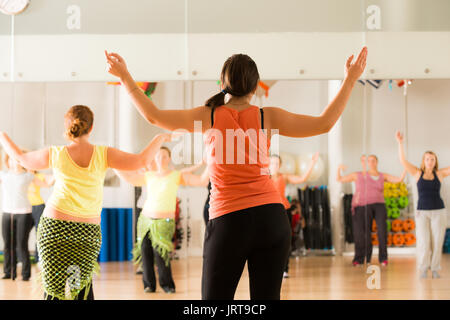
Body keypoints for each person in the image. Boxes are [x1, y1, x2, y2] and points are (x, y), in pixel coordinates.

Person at [105, 46, 367, 299]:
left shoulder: (208, 116)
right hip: (271, 220)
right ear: (256, 86)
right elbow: (325, 123)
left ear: (222, 83)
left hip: (229, 222)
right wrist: (350, 79)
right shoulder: (267, 116)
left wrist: (125, 77)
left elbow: (153, 116)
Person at [0, 105, 174, 300]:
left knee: (53, 292)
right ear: (91, 128)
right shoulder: (103, 154)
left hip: (54, 229)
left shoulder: (56, 153)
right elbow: (141, 160)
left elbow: (22, 158)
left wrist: (2, 135)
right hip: (85, 232)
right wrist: (159, 138)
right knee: (81, 291)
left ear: (67, 127)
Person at [115, 146, 209, 293]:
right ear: (155, 159)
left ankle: (167, 285)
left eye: (164, 156)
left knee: (161, 254)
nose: (161, 159)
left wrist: (210, 163)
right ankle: (149, 285)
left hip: (164, 221)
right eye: (158, 156)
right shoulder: (149, 175)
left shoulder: (175, 175)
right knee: (145, 252)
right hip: (145, 219)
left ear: (169, 159)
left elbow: (202, 181)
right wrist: (114, 166)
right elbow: (130, 179)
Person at [396, 131, 450, 278]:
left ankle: (435, 268)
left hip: (439, 211)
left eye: (432, 159)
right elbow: (402, 161)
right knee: (424, 242)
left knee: (437, 241)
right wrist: (400, 142)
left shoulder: (439, 174)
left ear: (435, 161)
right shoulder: (417, 173)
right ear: (423, 161)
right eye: (427, 159)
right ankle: (423, 268)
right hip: (422, 212)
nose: (430, 161)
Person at [337, 155, 406, 267]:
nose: (371, 163)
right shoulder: (358, 175)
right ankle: (360, 259)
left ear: (377, 162)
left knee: (382, 231)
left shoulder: (382, 176)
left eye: (373, 160)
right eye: (369, 161)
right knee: (363, 234)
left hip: (379, 205)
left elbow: (398, 179)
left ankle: (383, 258)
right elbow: (339, 179)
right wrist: (339, 168)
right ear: (365, 162)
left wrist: (405, 168)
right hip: (363, 206)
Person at [269, 152, 319, 278]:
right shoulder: (263, 178)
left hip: (283, 210)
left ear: (279, 165)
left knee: (284, 240)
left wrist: (312, 164)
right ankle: (270, 269)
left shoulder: (284, 177)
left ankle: (284, 269)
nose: (274, 165)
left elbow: (302, 178)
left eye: (277, 163)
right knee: (268, 241)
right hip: (268, 211)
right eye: (272, 163)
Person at [0, 155, 44, 281]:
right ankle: (8, 272)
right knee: (8, 244)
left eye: (17, 160)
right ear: (8, 162)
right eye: (12, 160)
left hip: (24, 213)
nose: (15, 163)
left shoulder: (28, 176)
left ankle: (25, 274)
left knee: (21, 244)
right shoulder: (4, 175)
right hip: (7, 212)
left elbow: (44, 183)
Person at [28, 170, 55, 262]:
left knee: (39, 233)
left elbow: (49, 183)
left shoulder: (39, 175)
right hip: (24, 207)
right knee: (21, 235)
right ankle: (21, 259)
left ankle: (38, 259)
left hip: (38, 207)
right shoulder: (22, 175)